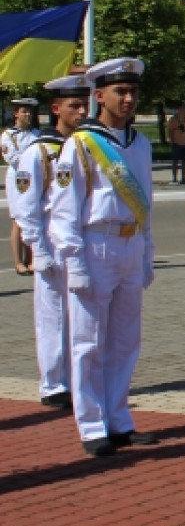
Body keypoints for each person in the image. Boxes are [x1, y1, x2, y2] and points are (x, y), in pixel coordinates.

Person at [50, 58, 159, 457]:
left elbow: (145, 201)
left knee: (125, 340)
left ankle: (119, 418)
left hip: (130, 244)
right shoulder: (82, 143)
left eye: (133, 91)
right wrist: (75, 262)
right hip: (96, 245)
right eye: (120, 92)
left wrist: (147, 252)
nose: (128, 99)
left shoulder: (140, 143)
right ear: (99, 96)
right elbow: (64, 210)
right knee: (88, 341)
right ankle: (92, 424)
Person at [12, 76, 92, 409]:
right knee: (53, 316)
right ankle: (54, 383)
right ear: (56, 109)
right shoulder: (39, 152)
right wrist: (38, 249)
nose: (82, 111)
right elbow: (25, 207)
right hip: (51, 243)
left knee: (82, 316)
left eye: (85, 105)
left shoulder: (87, 147)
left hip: (81, 241)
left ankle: (79, 379)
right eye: (75, 106)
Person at [5, 97, 40, 274]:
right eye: (24, 111)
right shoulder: (8, 135)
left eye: (29, 112)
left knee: (32, 216)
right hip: (18, 178)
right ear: (16, 114)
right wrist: (32, 158)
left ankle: (31, 259)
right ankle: (18, 262)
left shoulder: (36, 134)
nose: (28, 115)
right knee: (18, 219)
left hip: (35, 177)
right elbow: (13, 158)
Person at [168, 103, 185, 184]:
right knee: (175, 161)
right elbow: (170, 131)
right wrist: (172, 141)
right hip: (176, 143)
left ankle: (183, 178)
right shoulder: (173, 120)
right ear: (179, 109)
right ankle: (174, 178)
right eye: (183, 109)